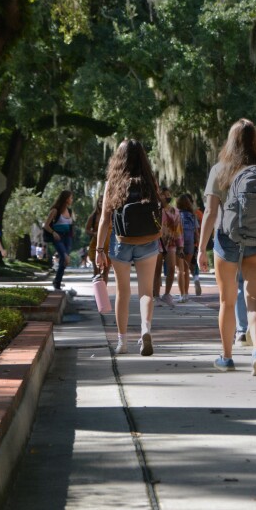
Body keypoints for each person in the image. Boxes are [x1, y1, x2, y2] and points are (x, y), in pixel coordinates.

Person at [197, 118, 256, 376]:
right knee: (255, 300)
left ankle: (227, 357)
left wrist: (201, 249)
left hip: (226, 240)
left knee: (227, 301)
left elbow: (210, 212)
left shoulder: (220, 170)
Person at [94, 139, 162, 356]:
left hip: (121, 242)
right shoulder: (150, 182)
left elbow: (105, 219)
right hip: (148, 240)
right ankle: (145, 330)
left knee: (123, 292)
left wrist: (99, 250)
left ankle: (122, 342)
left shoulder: (112, 183)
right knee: (146, 292)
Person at [155, 186, 184, 307]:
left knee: (172, 268)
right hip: (156, 242)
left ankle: (167, 294)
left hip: (170, 243)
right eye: (163, 194)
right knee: (156, 270)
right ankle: (156, 296)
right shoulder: (154, 210)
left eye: (168, 194)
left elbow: (178, 229)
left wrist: (180, 246)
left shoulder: (174, 211)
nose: (166, 196)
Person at [43, 190, 75, 290]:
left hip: (68, 237)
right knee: (65, 258)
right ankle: (57, 282)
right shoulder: (55, 211)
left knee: (64, 261)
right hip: (58, 237)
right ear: (66, 199)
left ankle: (57, 282)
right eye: (70, 197)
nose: (72, 199)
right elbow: (46, 225)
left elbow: (70, 225)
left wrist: (72, 233)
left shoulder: (70, 211)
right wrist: (53, 232)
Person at [177, 194, 199, 302]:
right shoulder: (192, 215)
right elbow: (196, 232)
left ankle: (181, 294)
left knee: (180, 270)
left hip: (179, 242)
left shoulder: (176, 214)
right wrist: (198, 245)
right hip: (190, 242)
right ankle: (186, 294)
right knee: (186, 269)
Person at [86, 197, 112, 283]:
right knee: (97, 272)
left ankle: (103, 293)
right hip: (96, 245)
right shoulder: (93, 216)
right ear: (97, 203)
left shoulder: (111, 214)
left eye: (103, 201)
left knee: (106, 272)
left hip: (109, 246)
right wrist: (93, 233)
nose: (101, 203)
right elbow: (87, 229)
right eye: (99, 202)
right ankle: (97, 293)